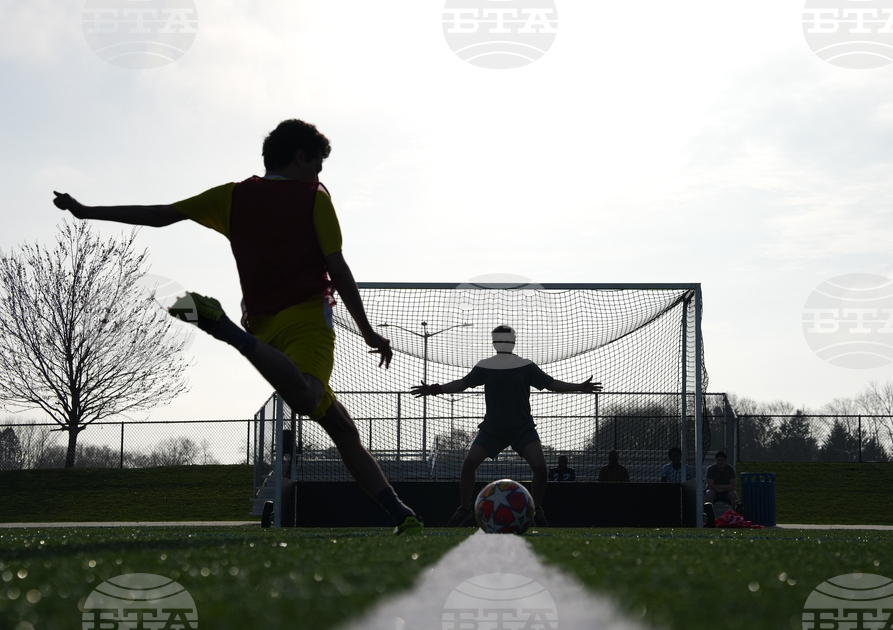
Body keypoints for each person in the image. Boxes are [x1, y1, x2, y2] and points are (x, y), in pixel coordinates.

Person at [52, 119, 424, 535]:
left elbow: (160, 215)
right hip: (305, 318)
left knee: (340, 426)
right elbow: (337, 268)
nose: (319, 173)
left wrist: (87, 212)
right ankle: (226, 330)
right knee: (307, 396)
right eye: (317, 164)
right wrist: (368, 331)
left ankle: (400, 514)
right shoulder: (314, 196)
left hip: (264, 326)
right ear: (300, 156)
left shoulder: (231, 196)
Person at [411, 325, 601, 527]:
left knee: (540, 468)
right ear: (494, 343)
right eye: (499, 340)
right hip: (492, 430)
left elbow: (551, 383)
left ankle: (536, 510)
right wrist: (435, 389)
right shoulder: (485, 366)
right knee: (468, 464)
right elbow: (462, 383)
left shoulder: (526, 366)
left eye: (507, 339)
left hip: (522, 429)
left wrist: (579, 387)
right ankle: (465, 509)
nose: (503, 343)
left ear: (513, 342)